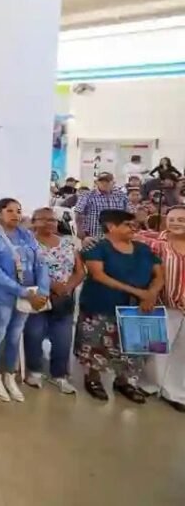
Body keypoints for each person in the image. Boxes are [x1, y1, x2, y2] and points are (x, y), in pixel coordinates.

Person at [77, 209, 164, 403]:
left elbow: (159, 274)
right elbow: (99, 275)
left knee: (134, 349)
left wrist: (151, 293)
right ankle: (93, 379)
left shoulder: (143, 249)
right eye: (128, 224)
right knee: (97, 345)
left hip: (138, 307)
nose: (134, 228)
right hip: (102, 304)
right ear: (111, 226)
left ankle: (124, 381)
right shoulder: (97, 248)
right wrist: (139, 292)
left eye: (134, 224)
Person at [0, 198, 50, 403]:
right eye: (9, 211)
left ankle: (9, 374)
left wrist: (42, 291)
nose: (15, 215)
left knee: (15, 335)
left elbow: (42, 263)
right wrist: (23, 292)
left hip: (29, 295)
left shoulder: (27, 235)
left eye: (18, 211)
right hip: (2, 295)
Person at [24, 207, 85, 395]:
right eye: (44, 219)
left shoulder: (68, 243)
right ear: (33, 222)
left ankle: (59, 375)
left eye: (52, 219)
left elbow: (80, 271)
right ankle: (34, 371)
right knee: (34, 334)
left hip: (64, 297)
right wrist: (50, 285)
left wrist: (67, 287)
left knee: (63, 338)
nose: (49, 223)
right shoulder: (27, 244)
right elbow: (26, 271)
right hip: (39, 296)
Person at [137, 206, 185, 412]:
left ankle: (175, 392)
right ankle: (149, 384)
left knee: (181, 352)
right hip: (164, 304)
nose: (176, 223)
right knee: (157, 347)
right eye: (172, 219)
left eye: (182, 220)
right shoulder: (157, 242)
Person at [75, 172, 129, 240]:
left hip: (116, 236)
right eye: (101, 181)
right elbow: (78, 213)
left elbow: (127, 214)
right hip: (93, 237)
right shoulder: (87, 195)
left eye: (107, 181)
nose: (104, 183)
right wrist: (80, 231)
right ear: (96, 182)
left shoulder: (121, 196)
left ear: (113, 182)